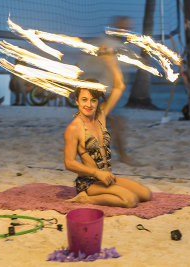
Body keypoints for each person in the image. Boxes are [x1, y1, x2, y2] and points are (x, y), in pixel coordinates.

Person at [64, 46, 152, 208]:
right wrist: (97, 173)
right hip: (89, 182)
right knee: (130, 200)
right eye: (84, 100)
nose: (88, 105)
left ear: (98, 102)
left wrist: (110, 60)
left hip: (107, 177)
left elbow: (119, 87)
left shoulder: (101, 116)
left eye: (93, 100)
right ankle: (86, 199)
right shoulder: (74, 128)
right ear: (77, 101)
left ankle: (108, 190)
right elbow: (69, 163)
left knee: (146, 194)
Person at [77, 16, 141, 166]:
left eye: (129, 28)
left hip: (110, 90)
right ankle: (121, 156)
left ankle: (103, 155)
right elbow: (86, 65)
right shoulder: (105, 44)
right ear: (116, 27)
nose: (127, 31)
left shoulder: (119, 45)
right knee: (114, 124)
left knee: (109, 125)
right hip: (104, 91)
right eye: (124, 27)